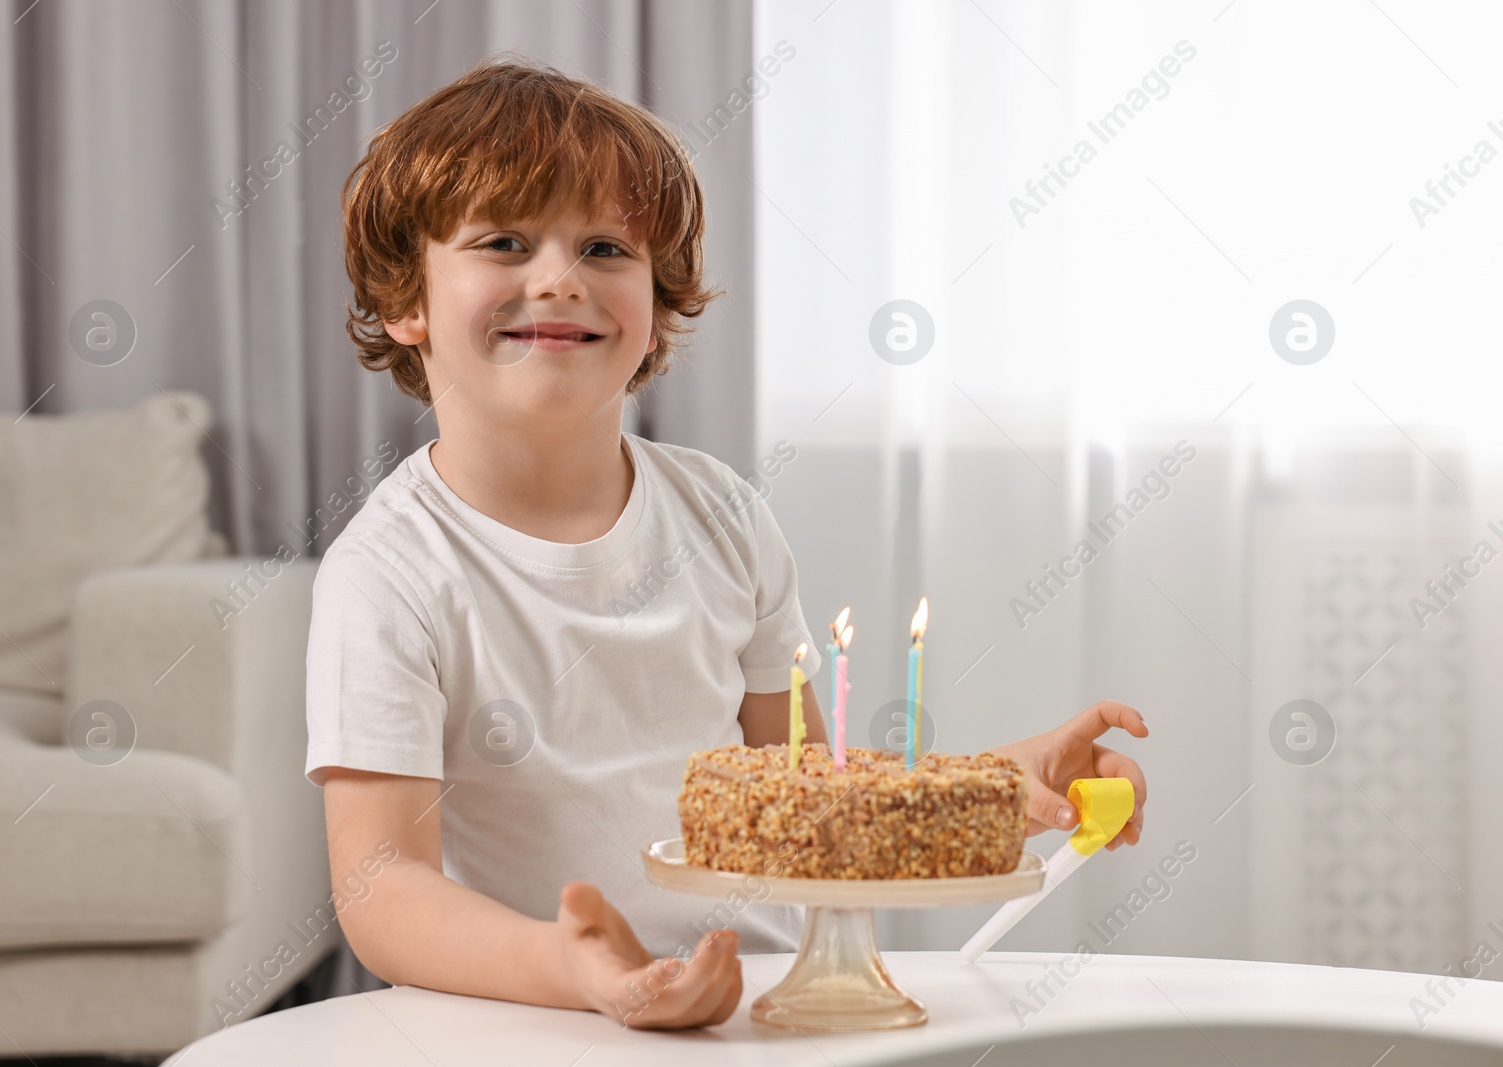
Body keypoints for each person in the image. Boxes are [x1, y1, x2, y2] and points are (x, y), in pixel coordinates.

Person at [306, 55, 1148, 1031]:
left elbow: (810, 805)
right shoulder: (390, 573)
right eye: (503, 240)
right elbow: (381, 889)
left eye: (608, 250)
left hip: (757, 1012)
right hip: (533, 1021)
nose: (559, 279)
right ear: (407, 300)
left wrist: (1002, 787)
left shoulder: (722, 515)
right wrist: (578, 968)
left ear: (658, 305)